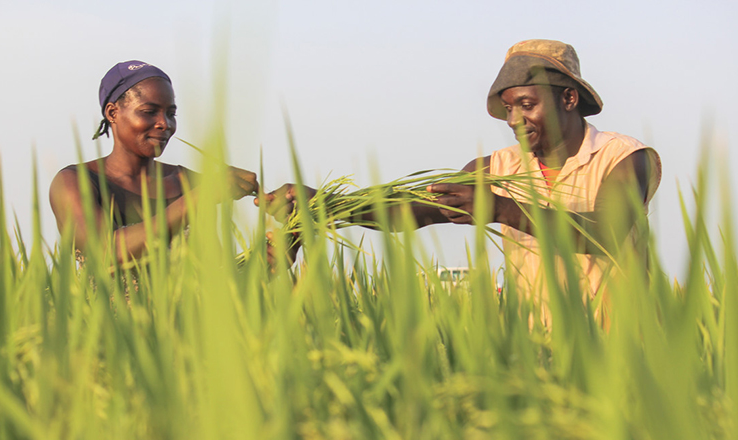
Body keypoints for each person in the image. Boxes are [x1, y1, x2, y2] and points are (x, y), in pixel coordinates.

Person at [258, 40, 661, 323]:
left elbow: (606, 230)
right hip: (537, 349)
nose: (514, 121)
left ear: (568, 99)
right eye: (508, 108)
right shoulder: (495, 168)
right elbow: (409, 212)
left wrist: (502, 209)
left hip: (624, 346)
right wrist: (327, 205)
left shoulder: (625, 158)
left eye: (527, 104)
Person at [49, 61, 258, 263]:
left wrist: (285, 242)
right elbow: (105, 250)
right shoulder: (75, 182)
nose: (164, 124)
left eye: (171, 114)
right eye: (149, 112)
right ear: (113, 113)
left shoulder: (188, 181)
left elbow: (215, 280)